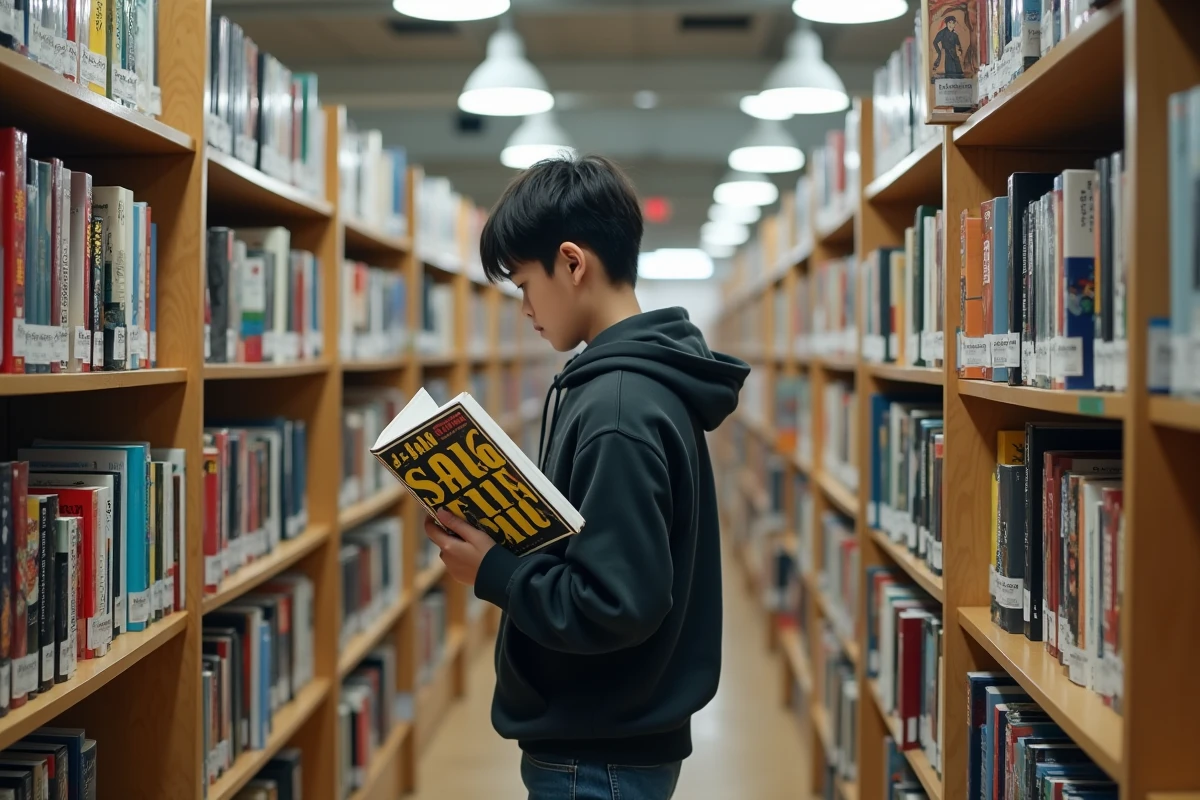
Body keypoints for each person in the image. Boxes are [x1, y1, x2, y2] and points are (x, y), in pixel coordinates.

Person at [422, 153, 750, 800]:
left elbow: (615, 602)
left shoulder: (619, 408)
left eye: (522, 285)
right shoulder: (630, 386)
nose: (523, 308)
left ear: (572, 263)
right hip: (610, 739)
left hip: (596, 755)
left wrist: (495, 570)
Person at [933, 13, 965, 78]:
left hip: (955, 57)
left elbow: (958, 44)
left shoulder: (955, 34)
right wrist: (939, 53)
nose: (951, 25)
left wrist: (960, 51)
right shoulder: (942, 33)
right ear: (946, 23)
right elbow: (935, 42)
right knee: (948, 75)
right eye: (949, 23)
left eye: (953, 23)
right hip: (946, 56)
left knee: (959, 75)